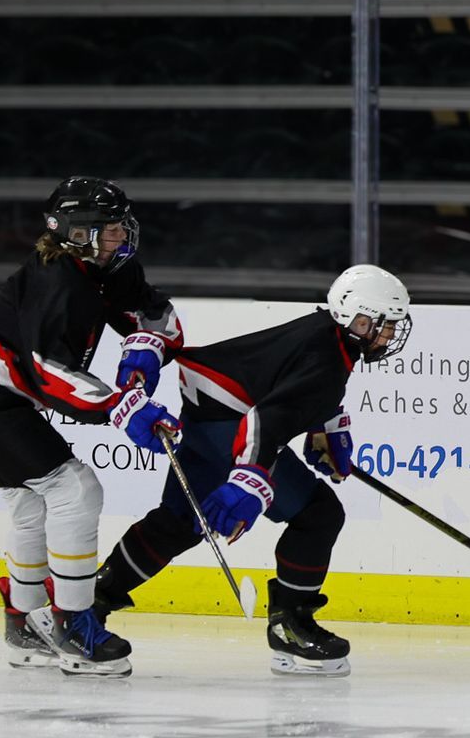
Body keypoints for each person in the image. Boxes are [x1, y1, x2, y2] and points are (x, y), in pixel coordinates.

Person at [93, 265, 413, 677]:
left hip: (212, 412)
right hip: (229, 423)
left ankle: (84, 603)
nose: (390, 336)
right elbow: (265, 420)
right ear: (360, 320)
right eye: (385, 326)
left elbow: (286, 382)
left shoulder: (327, 335)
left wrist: (325, 426)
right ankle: (291, 626)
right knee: (317, 514)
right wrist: (249, 478)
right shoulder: (328, 358)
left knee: (177, 523)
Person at [0, 177, 182, 677]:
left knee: (31, 506)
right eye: (110, 229)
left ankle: (24, 624)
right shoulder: (57, 282)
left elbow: (155, 314)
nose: (122, 237)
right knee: (75, 489)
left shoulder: (105, 266)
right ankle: (72, 624)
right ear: (76, 232)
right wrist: (124, 406)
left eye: (121, 226)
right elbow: (49, 372)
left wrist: (142, 349)